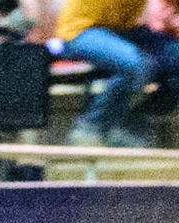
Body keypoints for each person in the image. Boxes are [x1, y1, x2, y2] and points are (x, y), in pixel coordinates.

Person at [60, 0, 179, 147]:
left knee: (175, 56)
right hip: (80, 31)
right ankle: (93, 127)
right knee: (133, 64)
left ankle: (132, 123)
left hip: (123, 30)